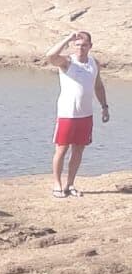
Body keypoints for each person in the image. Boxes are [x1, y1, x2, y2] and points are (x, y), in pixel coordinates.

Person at [45, 31, 110, 197]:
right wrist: (67, 38)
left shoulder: (94, 63)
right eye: (78, 44)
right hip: (68, 113)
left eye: (84, 45)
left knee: (79, 150)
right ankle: (57, 184)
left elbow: (98, 86)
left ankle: (70, 184)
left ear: (90, 46)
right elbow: (50, 55)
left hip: (86, 114)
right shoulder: (67, 62)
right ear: (74, 46)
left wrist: (104, 106)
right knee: (61, 149)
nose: (81, 48)